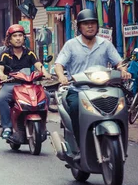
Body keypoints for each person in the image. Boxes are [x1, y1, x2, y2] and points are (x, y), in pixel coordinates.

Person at [55, 9, 131, 148]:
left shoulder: (105, 44)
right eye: (86, 24)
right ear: (79, 27)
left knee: (121, 106)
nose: (90, 26)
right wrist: (61, 76)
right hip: (78, 89)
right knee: (75, 108)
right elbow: (59, 64)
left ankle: (119, 142)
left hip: (103, 88)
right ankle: (79, 145)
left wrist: (123, 70)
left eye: (93, 23)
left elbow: (118, 62)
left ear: (97, 26)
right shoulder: (71, 45)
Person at [0, 24, 50, 138]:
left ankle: (43, 125)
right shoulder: (5, 53)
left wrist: (45, 72)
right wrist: (2, 76)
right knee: (2, 98)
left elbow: (38, 65)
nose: (18, 38)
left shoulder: (29, 53)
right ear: (10, 39)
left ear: (24, 38)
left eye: (20, 35)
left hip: (28, 84)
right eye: (15, 36)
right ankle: (7, 126)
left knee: (46, 95)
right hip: (11, 84)